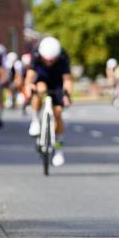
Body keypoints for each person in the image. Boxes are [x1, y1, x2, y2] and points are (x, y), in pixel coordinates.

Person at [23, 36, 73, 167]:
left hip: (57, 84)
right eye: (47, 60)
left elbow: (67, 79)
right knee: (39, 89)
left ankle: (58, 148)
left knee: (58, 113)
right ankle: (35, 120)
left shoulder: (63, 57)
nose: (49, 63)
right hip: (42, 81)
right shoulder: (36, 55)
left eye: (52, 60)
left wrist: (67, 94)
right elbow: (29, 76)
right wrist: (28, 86)